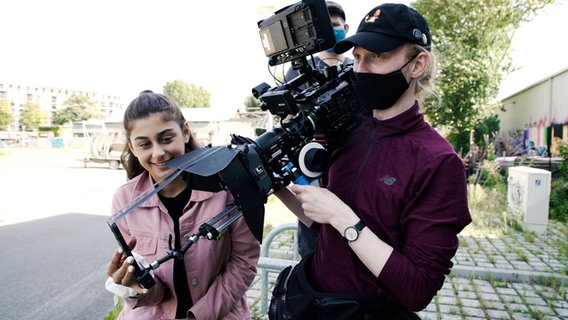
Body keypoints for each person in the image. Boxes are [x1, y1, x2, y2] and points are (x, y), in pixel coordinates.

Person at [269, 3, 471, 319]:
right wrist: (272, 181)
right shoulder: (348, 130)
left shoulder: (438, 162)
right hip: (316, 306)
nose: (361, 69)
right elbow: (324, 227)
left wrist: (342, 217)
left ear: (418, 64)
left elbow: (418, 289)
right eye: (358, 57)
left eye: (376, 57)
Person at [105, 90, 260, 320]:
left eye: (167, 139)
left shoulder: (226, 189)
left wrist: (198, 316)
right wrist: (134, 287)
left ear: (185, 132)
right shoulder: (125, 200)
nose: (158, 153)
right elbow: (152, 293)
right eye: (145, 144)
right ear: (132, 147)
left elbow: (243, 263)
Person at [285, 0, 352, 259]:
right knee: (314, 241)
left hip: (349, 163)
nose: (330, 31)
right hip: (312, 166)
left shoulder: (356, 68)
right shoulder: (299, 71)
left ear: (345, 28)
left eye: (334, 26)